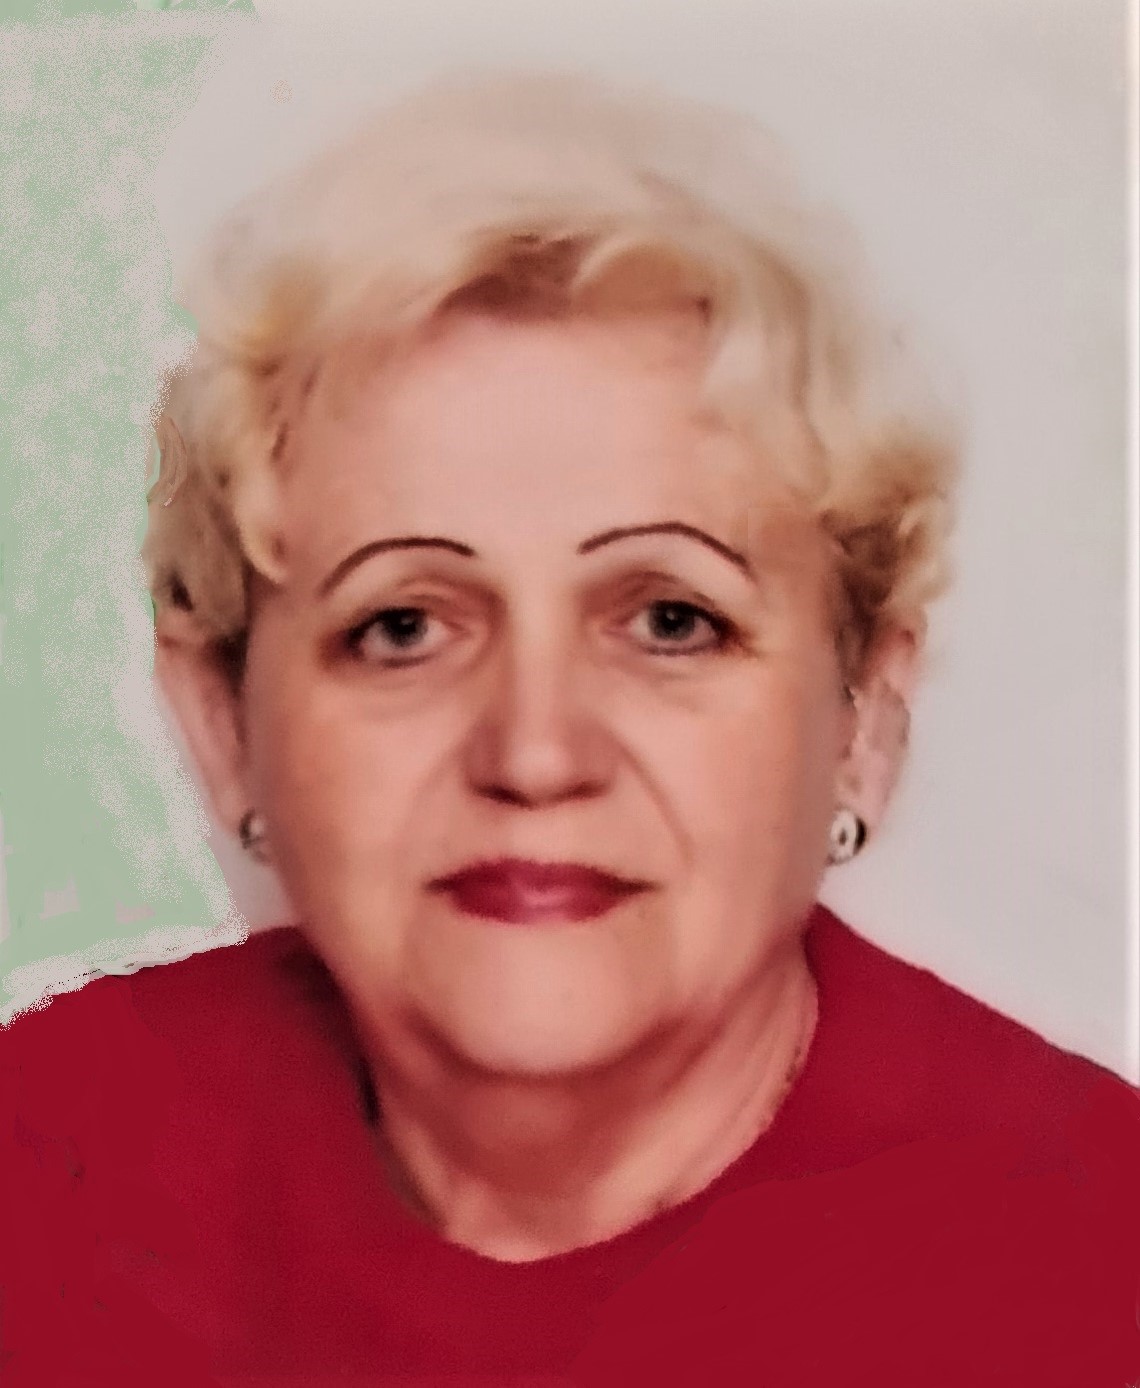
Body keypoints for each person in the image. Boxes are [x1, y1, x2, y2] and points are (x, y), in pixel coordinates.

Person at [2, 69, 1137, 1388]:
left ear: (863, 721)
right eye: (402, 626)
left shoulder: (1098, 1268)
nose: (535, 754)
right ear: (221, 726)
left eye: (670, 620)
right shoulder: (42, 1172)